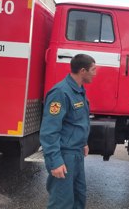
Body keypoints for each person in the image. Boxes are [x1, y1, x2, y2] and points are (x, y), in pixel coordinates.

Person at [40, 54, 96, 209]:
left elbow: (78, 121)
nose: (95, 73)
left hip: (76, 153)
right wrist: (55, 161)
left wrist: (83, 143)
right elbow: (49, 130)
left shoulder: (79, 90)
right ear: (83, 71)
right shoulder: (60, 92)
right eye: (93, 69)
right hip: (64, 155)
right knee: (62, 202)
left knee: (79, 197)